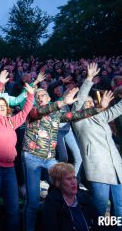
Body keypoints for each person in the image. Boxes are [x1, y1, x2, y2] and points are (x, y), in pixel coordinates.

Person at [23, 87, 110, 231]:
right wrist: (62, 101)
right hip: (32, 158)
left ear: (49, 98)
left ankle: (66, 218)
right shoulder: (32, 111)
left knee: (66, 184)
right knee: (32, 201)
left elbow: (76, 115)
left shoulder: (57, 115)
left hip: (50, 159)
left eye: (43, 95)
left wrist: (99, 108)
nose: (40, 97)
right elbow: (42, 111)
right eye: (37, 96)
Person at [0, 70, 35, 231]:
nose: (1, 107)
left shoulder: (12, 122)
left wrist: (30, 96)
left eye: (4, 105)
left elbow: (24, 113)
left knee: (14, 210)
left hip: (9, 169)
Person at [72, 63, 122, 225]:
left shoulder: (101, 117)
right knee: (100, 206)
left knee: (119, 207)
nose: (87, 104)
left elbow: (118, 109)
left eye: (90, 102)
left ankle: (115, 229)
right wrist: (89, 79)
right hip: (98, 167)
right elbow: (79, 102)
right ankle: (98, 229)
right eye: (84, 103)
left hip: (116, 168)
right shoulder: (78, 121)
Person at [42, 162, 101, 231]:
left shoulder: (84, 197)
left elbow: (99, 221)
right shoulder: (52, 204)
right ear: (58, 182)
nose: (73, 182)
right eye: (69, 179)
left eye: (74, 177)